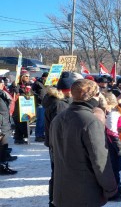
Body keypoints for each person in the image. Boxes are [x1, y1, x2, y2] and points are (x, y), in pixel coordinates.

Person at [49, 79, 117, 207]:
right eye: (98, 93)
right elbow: (100, 160)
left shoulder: (58, 118)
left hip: (62, 190)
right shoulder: (90, 121)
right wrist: (111, 187)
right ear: (92, 96)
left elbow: (52, 149)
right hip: (85, 193)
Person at [43, 74, 74, 207]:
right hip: (60, 145)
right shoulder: (60, 104)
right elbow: (60, 129)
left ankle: (55, 200)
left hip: (55, 144)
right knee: (58, 174)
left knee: (57, 173)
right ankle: (55, 201)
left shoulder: (58, 101)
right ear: (66, 90)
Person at [104, 90, 121, 202]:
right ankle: (114, 191)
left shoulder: (120, 109)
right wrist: (118, 145)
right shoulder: (113, 112)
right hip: (114, 143)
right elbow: (111, 130)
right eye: (120, 96)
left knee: (117, 167)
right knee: (114, 167)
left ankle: (118, 187)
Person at [11, 70, 34, 144]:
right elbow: (16, 95)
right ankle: (19, 137)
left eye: (29, 76)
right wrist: (16, 89)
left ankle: (18, 138)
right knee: (20, 124)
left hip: (26, 108)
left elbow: (31, 95)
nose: (28, 77)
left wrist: (29, 92)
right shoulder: (16, 84)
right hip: (17, 108)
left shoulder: (29, 85)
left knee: (23, 124)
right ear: (22, 77)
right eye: (26, 76)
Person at [32, 72, 48, 142]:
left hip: (47, 103)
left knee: (44, 120)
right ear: (43, 77)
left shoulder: (49, 83)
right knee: (40, 120)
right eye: (46, 77)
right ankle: (38, 135)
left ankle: (42, 134)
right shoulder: (37, 83)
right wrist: (37, 97)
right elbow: (31, 91)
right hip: (40, 104)